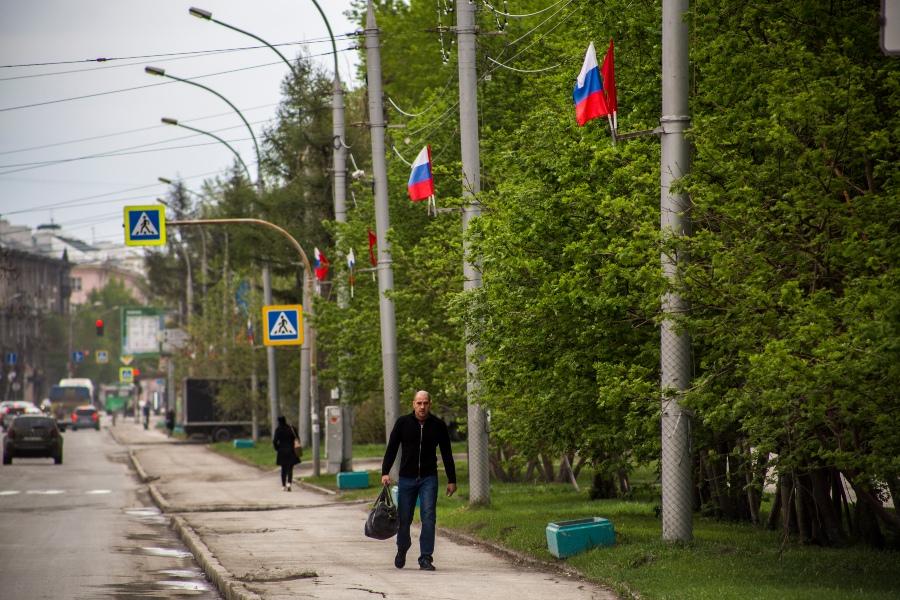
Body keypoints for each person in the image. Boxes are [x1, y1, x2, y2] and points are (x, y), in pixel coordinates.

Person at [381, 390, 457, 572]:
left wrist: (451, 479)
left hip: (428, 478)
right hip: (406, 478)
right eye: (419, 403)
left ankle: (425, 558)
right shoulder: (403, 423)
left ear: (430, 404)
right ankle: (402, 547)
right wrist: (385, 472)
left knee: (428, 517)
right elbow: (392, 448)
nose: (422, 407)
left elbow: (447, 453)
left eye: (425, 403)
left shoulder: (438, 425)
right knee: (404, 518)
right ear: (413, 404)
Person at [272, 416, 300, 491]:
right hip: (291, 450)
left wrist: (277, 448)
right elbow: (297, 438)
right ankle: (289, 483)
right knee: (290, 468)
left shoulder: (278, 430)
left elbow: (274, 441)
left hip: (282, 451)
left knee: (283, 469)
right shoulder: (291, 428)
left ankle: (283, 485)